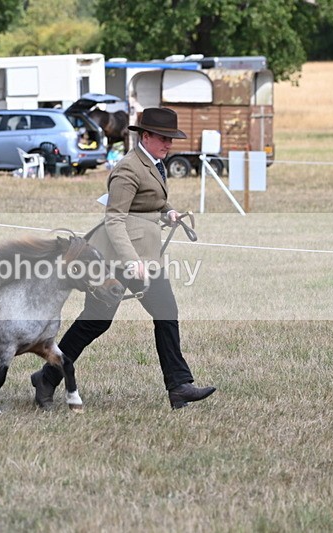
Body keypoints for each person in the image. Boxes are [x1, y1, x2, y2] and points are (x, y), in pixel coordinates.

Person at [30, 107, 216, 410]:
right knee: (96, 322)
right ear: (146, 136)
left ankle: (179, 386)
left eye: (171, 139)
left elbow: (149, 200)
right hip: (118, 259)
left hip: (145, 257)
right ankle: (48, 377)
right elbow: (115, 219)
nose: (169, 144)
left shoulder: (153, 163)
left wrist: (168, 211)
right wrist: (131, 261)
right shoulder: (128, 169)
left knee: (163, 314)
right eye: (164, 138)